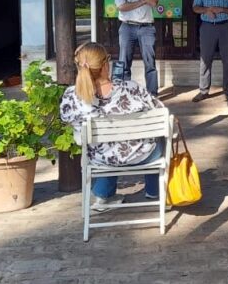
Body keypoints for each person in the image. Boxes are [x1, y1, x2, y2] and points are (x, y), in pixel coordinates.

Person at [60, 43, 164, 210]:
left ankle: (103, 195)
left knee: (104, 147)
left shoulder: (72, 96)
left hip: (100, 160)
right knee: (158, 137)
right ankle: (154, 191)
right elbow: (160, 111)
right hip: (141, 156)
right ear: (105, 65)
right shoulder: (130, 89)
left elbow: (67, 119)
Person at [115, 0, 160, 95]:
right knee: (124, 61)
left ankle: (152, 95)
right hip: (127, 27)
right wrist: (142, 0)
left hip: (147, 27)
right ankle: (123, 94)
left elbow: (153, 2)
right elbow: (121, 6)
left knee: (150, 63)